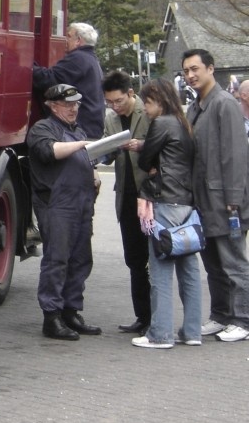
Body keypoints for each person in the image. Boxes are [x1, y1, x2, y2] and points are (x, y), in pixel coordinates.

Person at [181, 48, 249, 342]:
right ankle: (221, 316)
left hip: (226, 202)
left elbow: (235, 155)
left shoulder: (225, 104)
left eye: (195, 69)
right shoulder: (195, 107)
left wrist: (233, 200)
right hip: (203, 201)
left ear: (211, 68)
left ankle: (243, 319)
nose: (190, 75)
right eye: (186, 71)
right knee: (213, 264)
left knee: (234, 262)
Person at [26, 83, 103, 340]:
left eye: (76, 104)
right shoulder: (42, 128)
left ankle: (71, 311)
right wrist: (82, 145)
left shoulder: (77, 130)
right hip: (57, 205)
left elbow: (88, 160)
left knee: (81, 259)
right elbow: (49, 151)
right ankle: (52, 317)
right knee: (57, 261)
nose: (74, 109)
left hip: (82, 203)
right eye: (67, 104)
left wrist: (94, 175)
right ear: (52, 106)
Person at [131, 78, 200, 348]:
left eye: (147, 103)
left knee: (160, 269)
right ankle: (192, 331)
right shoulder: (184, 123)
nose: (145, 109)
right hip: (186, 202)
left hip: (165, 200)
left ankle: (160, 334)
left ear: (158, 101)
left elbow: (145, 159)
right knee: (189, 269)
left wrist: (149, 160)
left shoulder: (161, 123)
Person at [102, 70, 151, 335]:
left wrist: (141, 145)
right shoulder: (110, 118)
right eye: (109, 102)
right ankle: (142, 316)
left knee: (155, 260)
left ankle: (157, 318)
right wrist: (104, 151)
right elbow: (107, 156)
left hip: (150, 197)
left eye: (119, 101)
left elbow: (163, 145)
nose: (115, 107)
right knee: (134, 259)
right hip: (127, 198)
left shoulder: (148, 111)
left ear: (130, 93)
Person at [33, 22, 104, 139]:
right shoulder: (90, 58)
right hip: (90, 128)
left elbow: (50, 79)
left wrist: (27, 64)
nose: (65, 40)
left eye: (69, 36)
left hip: (80, 131)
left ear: (78, 40)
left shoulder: (78, 58)